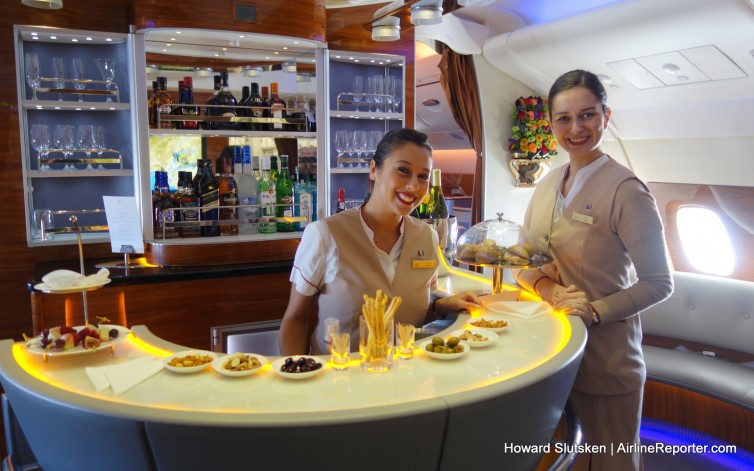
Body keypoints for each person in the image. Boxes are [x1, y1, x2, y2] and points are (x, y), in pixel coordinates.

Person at [515, 70, 673, 471]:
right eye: (563, 118)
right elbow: (524, 261)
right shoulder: (548, 183)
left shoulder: (627, 190)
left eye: (587, 115)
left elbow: (659, 283)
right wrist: (550, 290)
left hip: (607, 360)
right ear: (550, 124)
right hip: (553, 352)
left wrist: (594, 310)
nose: (576, 128)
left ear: (606, 116)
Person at [280, 128, 480, 356]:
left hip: (405, 378)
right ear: (374, 169)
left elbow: (415, 312)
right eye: (403, 171)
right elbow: (295, 318)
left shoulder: (426, 236)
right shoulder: (325, 234)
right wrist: (296, 375)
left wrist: (440, 305)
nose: (414, 186)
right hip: (340, 379)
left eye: (423, 176)